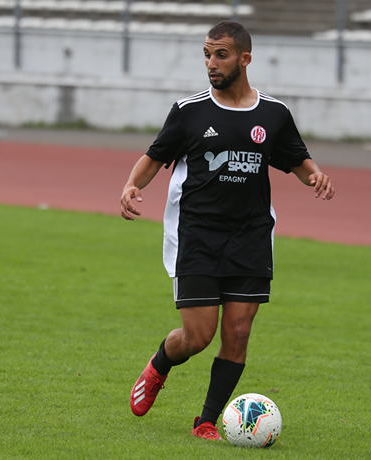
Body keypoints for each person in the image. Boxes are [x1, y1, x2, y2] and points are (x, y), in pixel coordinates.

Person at [119, 21, 335, 440]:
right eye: (207, 54)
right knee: (197, 337)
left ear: (244, 58)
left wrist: (315, 176)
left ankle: (206, 421)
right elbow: (154, 156)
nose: (211, 63)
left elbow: (296, 158)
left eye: (221, 55)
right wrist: (131, 185)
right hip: (197, 234)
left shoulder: (273, 114)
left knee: (238, 332)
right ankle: (160, 364)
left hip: (251, 235)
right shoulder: (189, 111)